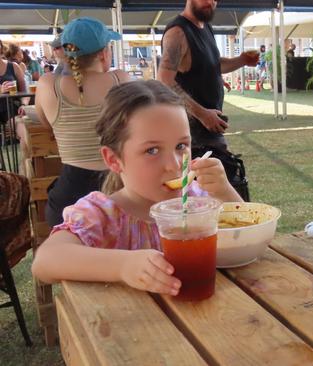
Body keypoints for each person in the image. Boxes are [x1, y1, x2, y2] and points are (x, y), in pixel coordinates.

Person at [31, 80, 242, 294]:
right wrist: (124, 266)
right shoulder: (102, 215)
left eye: (181, 146)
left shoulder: (198, 200)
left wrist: (224, 191)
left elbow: (244, 236)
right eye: (152, 150)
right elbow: (45, 261)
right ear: (113, 159)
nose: (175, 165)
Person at [34, 17, 131, 227]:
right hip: (116, 191)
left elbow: (44, 121)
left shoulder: (48, 84)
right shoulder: (120, 80)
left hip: (69, 198)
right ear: (104, 53)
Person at [158, 0, 257, 156]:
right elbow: (164, 81)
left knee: (224, 175)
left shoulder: (205, 27)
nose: (210, 2)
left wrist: (242, 60)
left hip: (209, 130)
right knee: (214, 177)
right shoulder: (177, 33)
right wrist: (202, 114)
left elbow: (213, 64)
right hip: (192, 135)